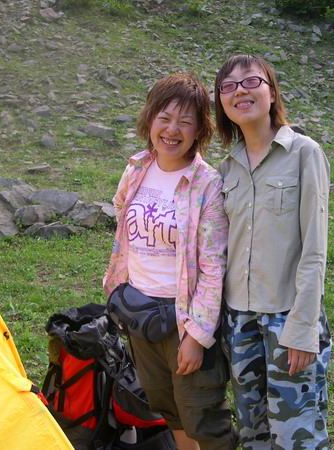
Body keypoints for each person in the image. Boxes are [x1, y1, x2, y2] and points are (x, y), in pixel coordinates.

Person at [103, 73, 235, 450]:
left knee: (201, 414)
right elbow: (121, 210)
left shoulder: (206, 184)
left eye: (185, 121)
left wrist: (197, 337)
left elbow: (213, 267)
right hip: (139, 312)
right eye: (164, 118)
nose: (172, 130)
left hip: (182, 319)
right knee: (168, 408)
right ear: (150, 120)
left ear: (200, 130)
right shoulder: (137, 168)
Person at [215, 54, 332, 449]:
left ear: (271, 91)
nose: (240, 91)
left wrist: (303, 328)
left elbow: (315, 249)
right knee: (253, 433)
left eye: (251, 81)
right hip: (239, 321)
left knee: (297, 435)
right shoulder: (226, 169)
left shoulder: (304, 153)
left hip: (288, 318)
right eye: (228, 86)